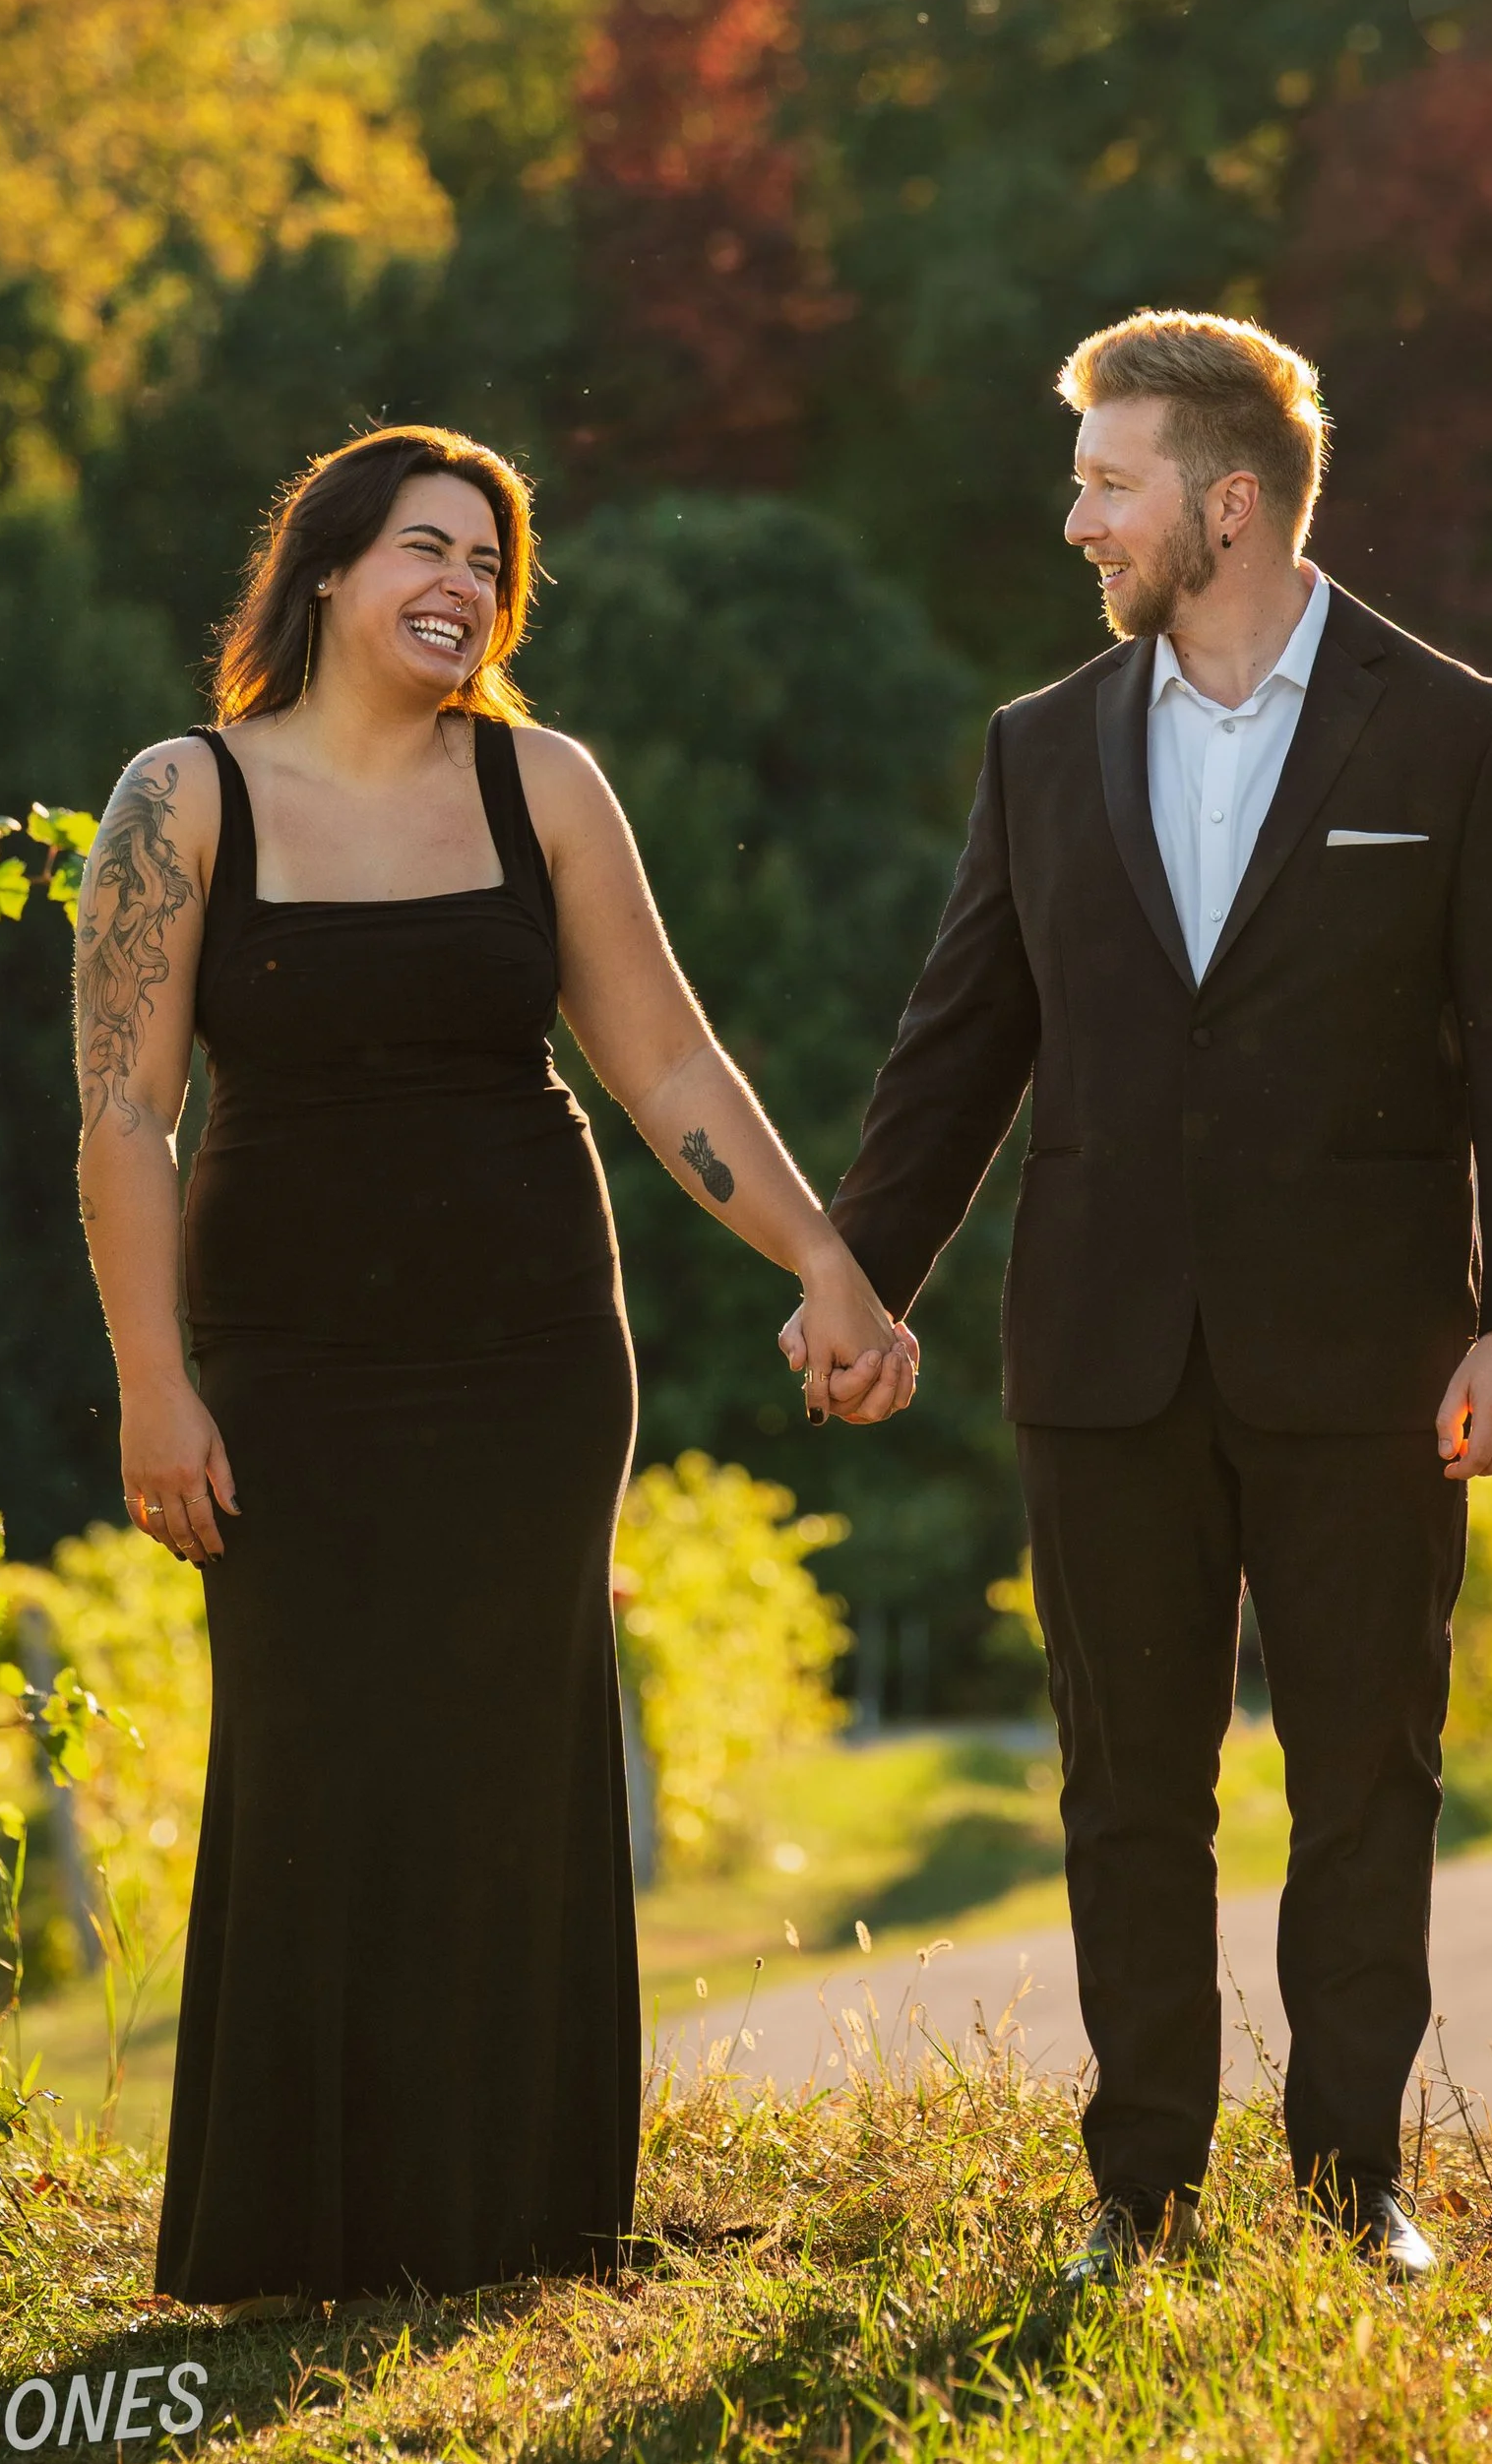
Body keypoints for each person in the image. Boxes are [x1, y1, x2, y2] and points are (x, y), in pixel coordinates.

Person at [785, 311, 1492, 2283]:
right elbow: (958, 1046)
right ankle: (1137, 2191)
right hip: (1101, 1353)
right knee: (1126, 1787)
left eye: (1107, 483)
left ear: (1227, 504)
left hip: (1370, 1360)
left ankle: (1349, 2180)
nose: (1077, 521)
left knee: (1365, 1781)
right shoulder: (1039, 745)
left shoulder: (1456, 734)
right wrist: (855, 1274)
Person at [73, 423, 913, 2308]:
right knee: (311, 1742)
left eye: (490, 562)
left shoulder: (546, 785)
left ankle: (523, 2214)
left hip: (531, 1352)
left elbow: (667, 1061)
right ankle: (294, 2231)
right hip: (285, 1363)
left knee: (513, 1744)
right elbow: (124, 1115)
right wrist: (152, 1381)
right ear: (326, 566)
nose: (461, 584)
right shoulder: (182, 795)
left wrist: (825, 1260)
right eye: (424, 546)